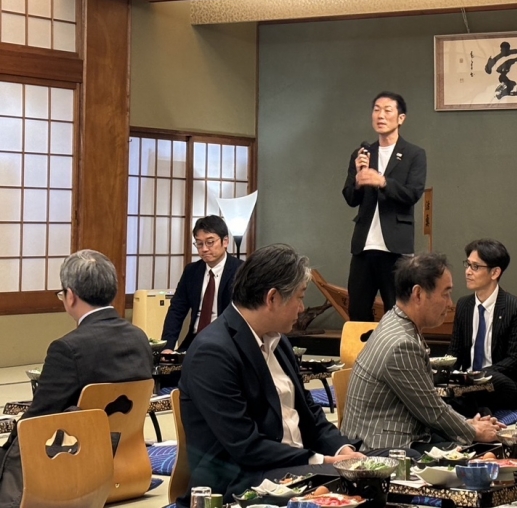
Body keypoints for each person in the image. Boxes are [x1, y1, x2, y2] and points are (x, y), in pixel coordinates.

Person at [178, 244, 362, 505]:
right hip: (241, 478)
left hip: (294, 465)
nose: (302, 308)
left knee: (379, 467)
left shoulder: (279, 341)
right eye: (299, 297)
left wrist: (343, 450)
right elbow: (245, 446)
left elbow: (310, 414)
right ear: (272, 298)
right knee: (348, 481)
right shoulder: (213, 352)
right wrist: (323, 461)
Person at [0, 250, 153, 507]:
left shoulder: (68, 348)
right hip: (130, 468)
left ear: (70, 295)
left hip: (78, 473)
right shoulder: (139, 338)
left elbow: (38, 419)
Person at [341, 253, 503, 450]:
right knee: (479, 454)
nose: (450, 303)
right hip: (380, 448)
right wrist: (474, 431)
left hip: (393, 433)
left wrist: (468, 424)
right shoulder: (401, 344)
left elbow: (429, 405)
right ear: (418, 294)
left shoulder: (394, 319)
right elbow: (432, 411)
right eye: (445, 294)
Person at [342, 92, 427, 321]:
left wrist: (383, 182)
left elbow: (413, 193)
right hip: (363, 247)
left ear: (401, 118)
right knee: (358, 312)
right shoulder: (362, 154)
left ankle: (395, 347)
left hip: (396, 249)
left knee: (398, 313)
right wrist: (358, 181)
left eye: (387, 110)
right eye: (376, 110)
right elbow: (350, 198)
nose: (380, 115)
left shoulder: (414, 154)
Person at [447, 239, 517, 417]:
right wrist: (447, 373)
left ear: (495, 272)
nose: (468, 271)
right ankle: (478, 410)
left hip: (504, 381)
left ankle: (472, 409)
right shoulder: (464, 305)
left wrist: (479, 375)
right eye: (468, 265)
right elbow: (454, 351)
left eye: (475, 267)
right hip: (470, 383)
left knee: (491, 381)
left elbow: (514, 359)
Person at [161, 215, 243, 352]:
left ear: (225, 241)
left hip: (227, 342)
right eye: (199, 244)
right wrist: (168, 346)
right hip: (194, 340)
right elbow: (177, 310)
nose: (204, 249)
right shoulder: (192, 271)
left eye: (210, 242)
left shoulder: (241, 271)